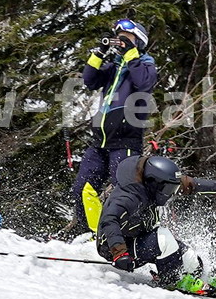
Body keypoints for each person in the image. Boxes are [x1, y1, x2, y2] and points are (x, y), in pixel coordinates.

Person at [63, 18, 158, 238]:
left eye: (126, 38)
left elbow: (144, 83)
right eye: (118, 37)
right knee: (83, 188)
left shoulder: (145, 63)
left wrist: (131, 53)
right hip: (100, 142)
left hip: (125, 140)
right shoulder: (114, 66)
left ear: (139, 41)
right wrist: (99, 52)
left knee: (124, 192)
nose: (121, 41)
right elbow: (90, 80)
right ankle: (96, 234)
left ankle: (132, 236)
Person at [96, 154, 216, 292]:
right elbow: (109, 220)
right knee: (164, 238)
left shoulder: (159, 183)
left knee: (189, 256)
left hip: (137, 238)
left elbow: (193, 184)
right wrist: (120, 253)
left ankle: (200, 279)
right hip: (115, 247)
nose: (171, 193)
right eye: (169, 189)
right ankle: (172, 281)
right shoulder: (128, 197)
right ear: (154, 183)